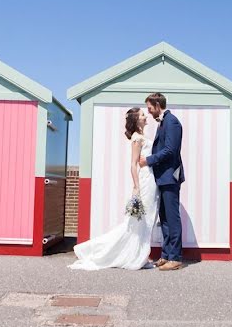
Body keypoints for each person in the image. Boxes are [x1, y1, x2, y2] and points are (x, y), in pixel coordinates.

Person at [69, 107, 160, 270]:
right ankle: (127, 256)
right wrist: (137, 186)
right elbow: (133, 164)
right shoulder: (137, 138)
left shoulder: (143, 136)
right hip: (145, 179)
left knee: (148, 219)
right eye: (142, 115)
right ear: (136, 119)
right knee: (140, 220)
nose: (146, 116)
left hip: (151, 177)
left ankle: (140, 255)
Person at [138, 92, 184, 271]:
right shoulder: (163, 122)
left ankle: (176, 258)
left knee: (172, 218)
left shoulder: (171, 121)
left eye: (150, 108)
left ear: (158, 105)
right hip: (163, 177)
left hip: (170, 176)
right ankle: (166, 255)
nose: (149, 112)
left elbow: (170, 150)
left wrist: (148, 160)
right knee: (164, 218)